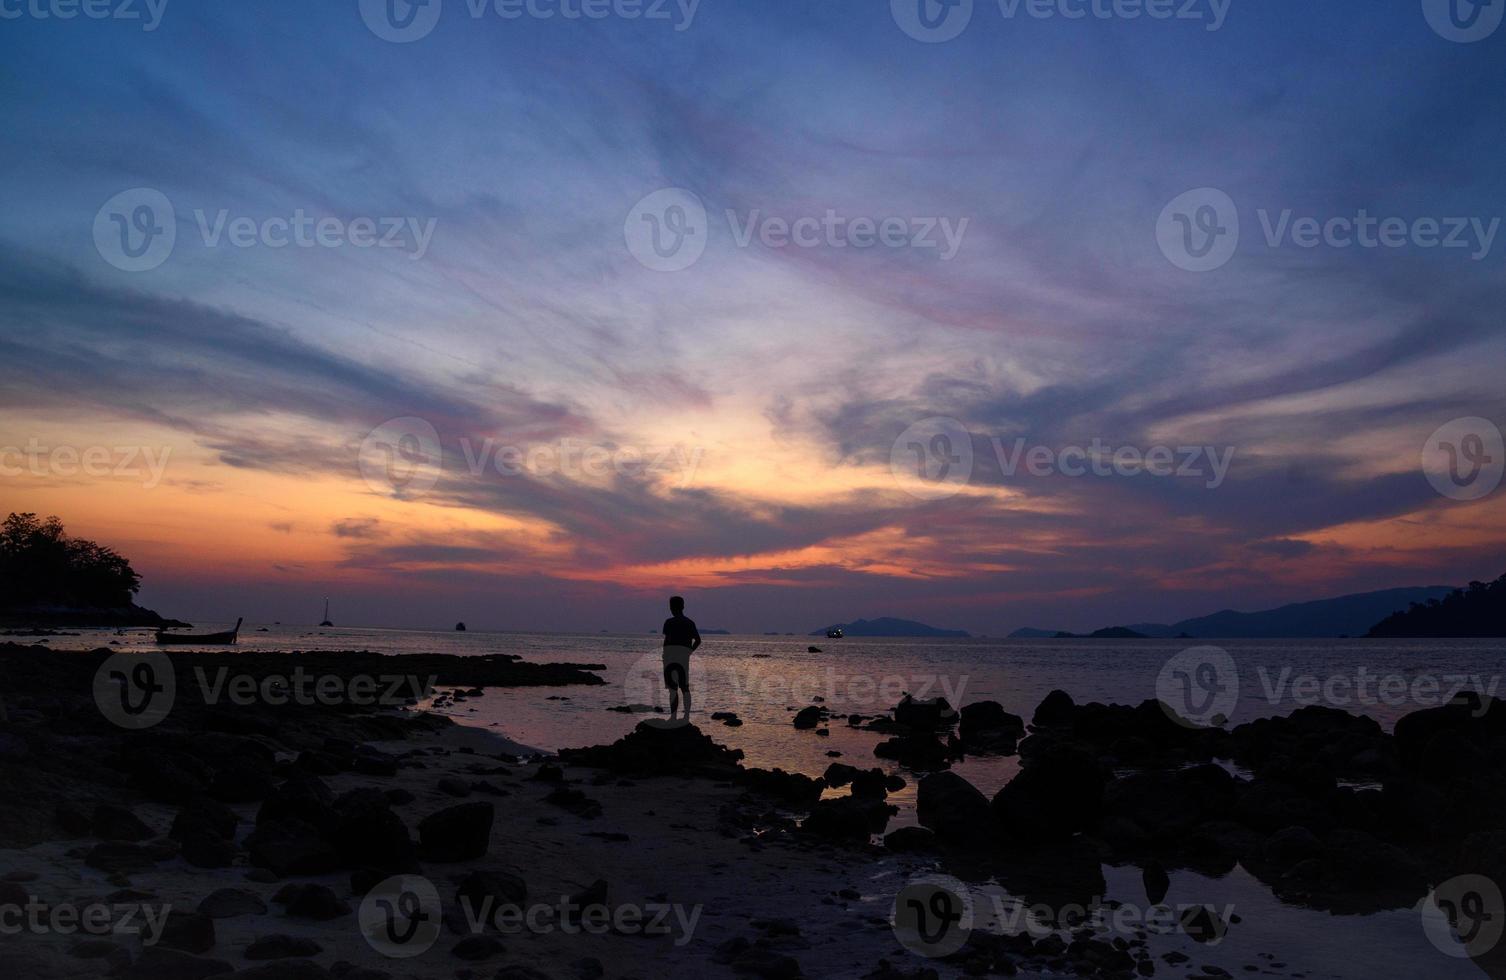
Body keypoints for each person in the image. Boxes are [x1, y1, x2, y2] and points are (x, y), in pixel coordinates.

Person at [662, 595, 701, 719]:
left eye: (671, 606)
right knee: (684, 688)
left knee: (673, 689)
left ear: (672, 607)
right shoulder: (689, 623)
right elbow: (698, 640)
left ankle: (673, 716)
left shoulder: (669, 622)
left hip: (670, 659)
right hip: (683, 659)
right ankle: (686, 716)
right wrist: (689, 652)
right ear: (683, 606)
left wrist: (664, 657)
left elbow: (666, 641)